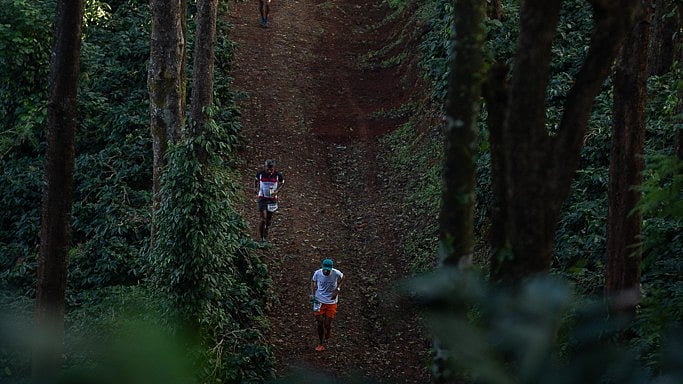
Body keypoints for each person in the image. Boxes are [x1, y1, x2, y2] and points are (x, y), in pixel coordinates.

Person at [310, 258, 344, 352]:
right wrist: (312, 294)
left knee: (327, 324)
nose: (326, 271)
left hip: (331, 301)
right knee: (319, 323)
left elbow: (343, 278)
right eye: (325, 269)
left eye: (328, 270)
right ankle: (321, 343)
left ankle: (328, 329)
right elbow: (312, 281)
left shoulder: (336, 273)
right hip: (318, 300)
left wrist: (337, 289)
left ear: (331, 269)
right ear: (322, 268)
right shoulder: (317, 273)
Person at [254, 159, 284, 241]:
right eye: (268, 169)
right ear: (265, 168)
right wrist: (256, 188)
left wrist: (277, 190)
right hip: (262, 198)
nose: (269, 171)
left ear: (274, 168)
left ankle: (266, 230)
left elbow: (282, 182)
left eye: (271, 169)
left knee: (268, 220)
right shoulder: (260, 174)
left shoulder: (277, 175)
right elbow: (256, 180)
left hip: (272, 199)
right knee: (263, 218)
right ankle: (261, 238)